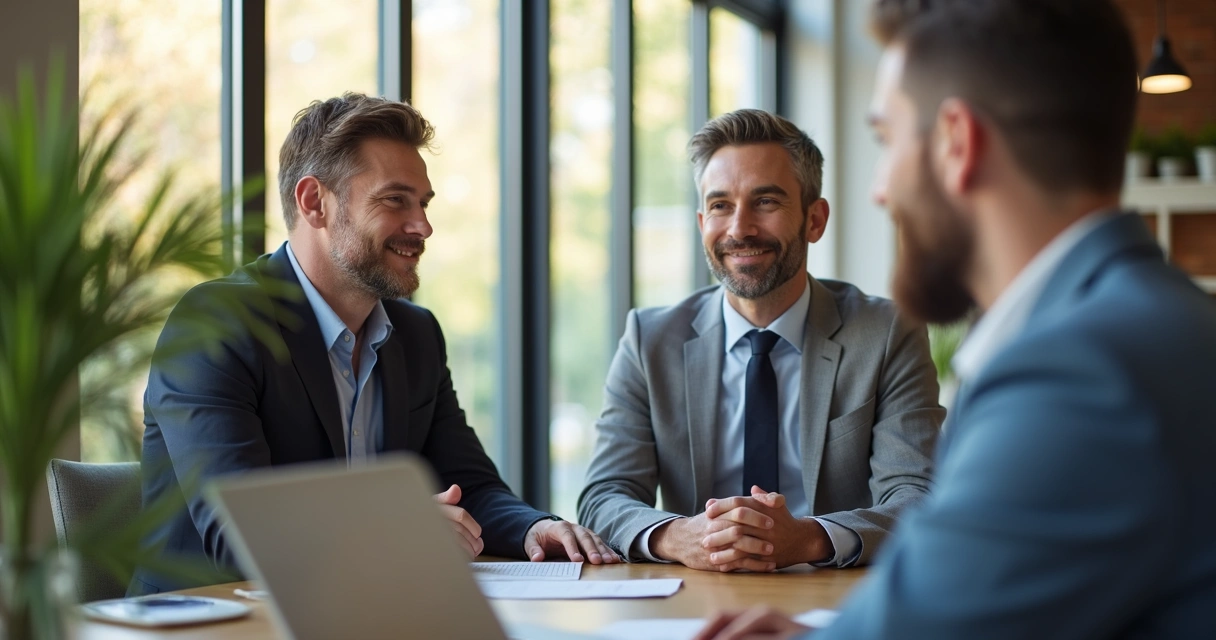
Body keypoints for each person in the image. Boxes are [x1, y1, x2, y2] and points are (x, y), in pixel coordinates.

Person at [694, 1, 1216, 638]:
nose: (880, 189)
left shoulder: (1078, 372)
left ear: (956, 143)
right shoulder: (1155, 322)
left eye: (887, 141)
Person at [130, 93, 617, 596]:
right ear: (314, 202)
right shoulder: (218, 324)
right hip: (212, 623)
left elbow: (469, 485)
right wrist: (397, 527)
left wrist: (532, 528)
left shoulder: (417, 335)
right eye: (394, 200)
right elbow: (237, 532)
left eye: (423, 204)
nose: (423, 227)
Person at [578, 109, 944, 573]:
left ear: (814, 220)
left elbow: (916, 498)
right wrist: (679, 536)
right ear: (701, 222)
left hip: (834, 600)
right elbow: (603, 496)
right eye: (720, 205)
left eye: (765, 202)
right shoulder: (650, 340)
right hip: (695, 599)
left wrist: (807, 539)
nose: (739, 229)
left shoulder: (887, 332)